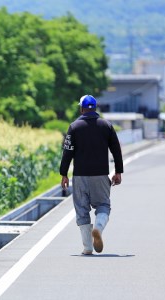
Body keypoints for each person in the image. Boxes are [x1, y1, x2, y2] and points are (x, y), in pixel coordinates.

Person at [59, 95, 123, 255]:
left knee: (82, 209)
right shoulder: (106, 125)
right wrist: (118, 171)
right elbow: (116, 150)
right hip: (100, 175)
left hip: (80, 175)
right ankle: (98, 228)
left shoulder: (74, 127)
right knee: (103, 205)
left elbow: (67, 152)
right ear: (95, 108)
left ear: (81, 108)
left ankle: (87, 247)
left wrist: (64, 174)